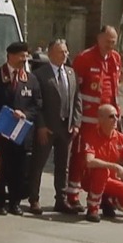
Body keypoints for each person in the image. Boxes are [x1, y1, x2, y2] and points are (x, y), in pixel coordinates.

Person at [66, 26, 123, 209]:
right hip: (88, 119)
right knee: (80, 157)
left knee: (109, 157)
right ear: (98, 38)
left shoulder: (115, 59)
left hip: (109, 120)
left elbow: (114, 88)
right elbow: (74, 90)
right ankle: (72, 195)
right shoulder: (84, 58)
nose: (110, 45)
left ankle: (105, 196)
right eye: (107, 41)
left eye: (113, 42)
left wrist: (116, 115)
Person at [0, 41, 41, 216]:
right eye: (20, 56)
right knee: (2, 166)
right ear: (10, 55)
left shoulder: (31, 80)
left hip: (21, 133)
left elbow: (37, 104)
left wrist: (25, 114)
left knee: (19, 169)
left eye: (26, 56)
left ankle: (15, 202)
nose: (23, 59)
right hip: (0, 131)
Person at [28, 38, 81, 215]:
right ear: (50, 54)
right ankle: (34, 199)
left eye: (66, 52)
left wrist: (76, 123)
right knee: (38, 163)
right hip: (48, 127)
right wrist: (41, 126)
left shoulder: (71, 73)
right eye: (60, 52)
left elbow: (77, 100)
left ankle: (61, 199)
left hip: (66, 127)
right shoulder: (40, 75)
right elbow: (36, 103)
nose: (65, 55)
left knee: (62, 165)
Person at [82, 104, 123, 222]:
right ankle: (93, 208)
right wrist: (114, 166)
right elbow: (89, 161)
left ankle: (110, 200)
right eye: (111, 116)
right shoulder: (92, 136)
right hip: (90, 179)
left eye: (117, 116)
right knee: (102, 171)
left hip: (110, 180)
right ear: (101, 119)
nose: (116, 119)